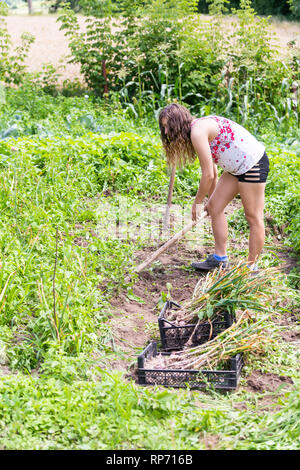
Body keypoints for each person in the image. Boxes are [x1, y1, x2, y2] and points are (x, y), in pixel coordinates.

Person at [158, 103, 269, 272]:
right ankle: (220, 259)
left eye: (168, 127)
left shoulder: (197, 132)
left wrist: (197, 202)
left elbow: (208, 174)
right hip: (234, 168)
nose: (166, 132)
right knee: (214, 208)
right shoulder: (196, 130)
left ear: (177, 123)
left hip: (252, 164)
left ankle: (251, 268)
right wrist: (211, 199)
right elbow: (214, 171)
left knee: (253, 217)